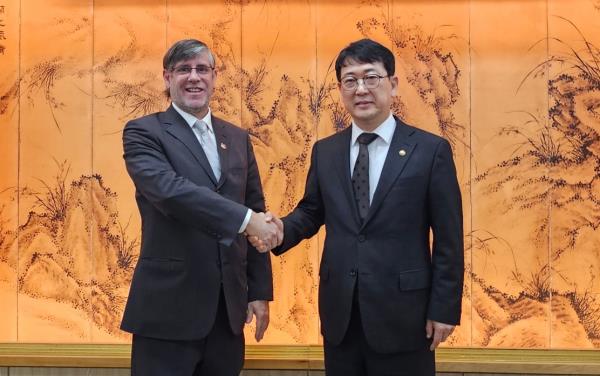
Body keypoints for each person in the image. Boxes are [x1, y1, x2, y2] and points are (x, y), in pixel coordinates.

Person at [255, 39, 464, 375]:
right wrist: (279, 231)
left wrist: (445, 307)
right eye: (350, 80)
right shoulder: (326, 151)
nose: (361, 89)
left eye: (371, 78)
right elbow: (311, 212)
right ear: (340, 89)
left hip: (405, 316)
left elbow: (449, 239)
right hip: (341, 315)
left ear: (393, 84)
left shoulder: (430, 150)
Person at [120, 39, 280, 376]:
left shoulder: (237, 138)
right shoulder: (143, 132)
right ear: (167, 78)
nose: (194, 77)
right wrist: (247, 220)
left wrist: (260, 291)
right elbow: (170, 192)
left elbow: (255, 207)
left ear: (214, 76)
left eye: (202, 69)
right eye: (183, 70)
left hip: (227, 314)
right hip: (167, 313)